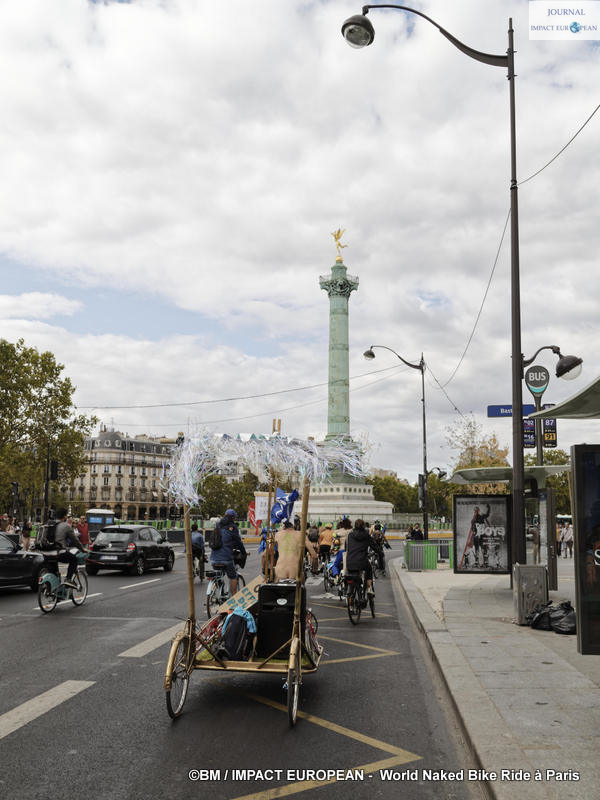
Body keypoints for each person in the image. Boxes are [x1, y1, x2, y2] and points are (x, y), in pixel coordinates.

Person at [209, 508, 247, 597]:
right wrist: (244, 552)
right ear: (233, 518)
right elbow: (238, 542)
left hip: (213, 559)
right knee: (233, 576)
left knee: (219, 575)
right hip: (226, 558)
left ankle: (218, 593)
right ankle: (233, 597)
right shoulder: (233, 527)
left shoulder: (217, 526)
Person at [54, 507, 85, 588]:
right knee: (74, 559)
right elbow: (75, 540)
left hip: (47, 553)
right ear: (64, 516)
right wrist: (82, 549)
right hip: (59, 552)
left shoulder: (49, 524)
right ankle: (68, 579)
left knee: (53, 570)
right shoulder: (66, 526)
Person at [345, 519, 377, 596]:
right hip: (362, 561)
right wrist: (379, 552)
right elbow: (374, 546)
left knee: (349, 574)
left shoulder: (350, 535)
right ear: (363, 526)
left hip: (350, 561)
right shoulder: (366, 535)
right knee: (369, 569)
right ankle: (369, 588)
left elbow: (346, 548)